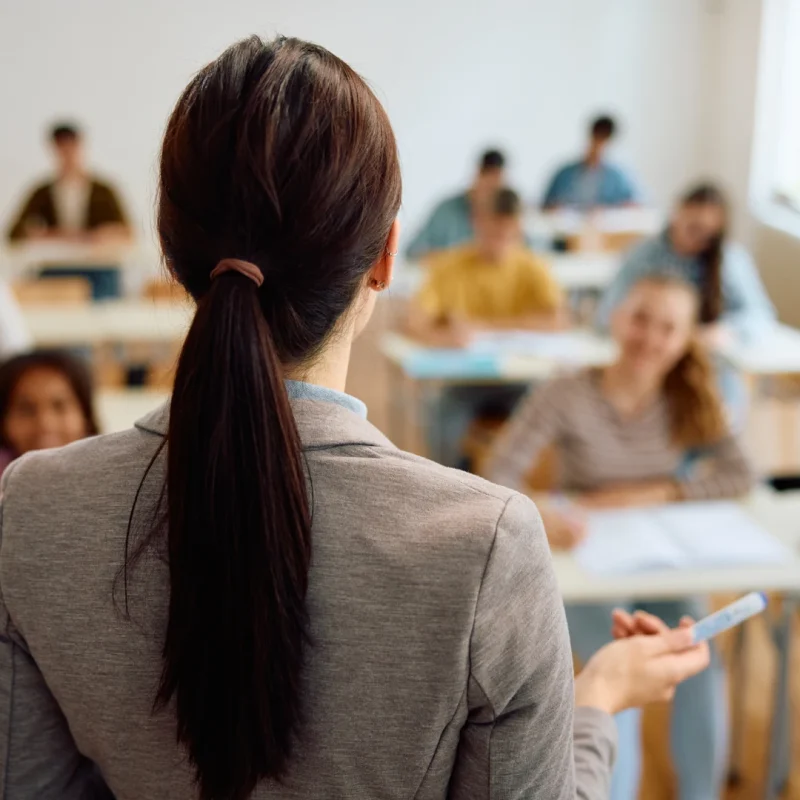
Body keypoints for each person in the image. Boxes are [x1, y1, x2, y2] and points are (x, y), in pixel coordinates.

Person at [0, 36, 710, 799]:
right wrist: (595, 703)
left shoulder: (34, 508)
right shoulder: (485, 546)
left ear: (171, 258)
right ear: (385, 258)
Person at [486, 275, 755, 800]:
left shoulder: (691, 397)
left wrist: (662, 492)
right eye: (640, 319)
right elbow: (499, 472)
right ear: (615, 317)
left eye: (668, 328)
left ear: (685, 340)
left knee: (699, 659)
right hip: (589, 559)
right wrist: (541, 512)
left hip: (660, 558)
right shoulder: (566, 391)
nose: (650, 338)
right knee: (614, 671)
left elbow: (741, 474)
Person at [408, 187, 565, 467]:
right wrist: (444, 337)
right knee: (443, 424)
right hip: (463, 382)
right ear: (478, 223)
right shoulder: (449, 266)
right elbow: (414, 322)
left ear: (518, 229)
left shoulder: (533, 267)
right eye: (493, 233)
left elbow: (558, 320)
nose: (498, 243)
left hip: (521, 380)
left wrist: (485, 326)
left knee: (546, 419)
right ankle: (451, 483)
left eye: (507, 234)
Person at [597, 183, 775, 343]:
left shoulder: (730, 260)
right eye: (693, 228)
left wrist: (726, 331)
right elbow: (607, 312)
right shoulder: (643, 255)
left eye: (708, 235)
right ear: (676, 212)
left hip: (705, 355)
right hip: (651, 349)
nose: (698, 239)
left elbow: (761, 316)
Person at [7, 123, 131, 244]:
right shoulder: (41, 193)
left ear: (80, 147)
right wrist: (43, 233)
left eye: (71, 147)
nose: (67, 154)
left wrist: (102, 235)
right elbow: (14, 233)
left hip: (96, 257)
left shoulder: (104, 191)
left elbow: (127, 232)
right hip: (54, 256)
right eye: (62, 148)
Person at [0, 350, 99, 476]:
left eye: (59, 406)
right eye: (26, 409)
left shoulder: (116, 479)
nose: (45, 424)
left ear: (85, 416)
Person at [405, 148, 506, 259]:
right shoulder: (446, 210)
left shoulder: (505, 217)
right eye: (487, 184)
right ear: (478, 175)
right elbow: (413, 252)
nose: (489, 192)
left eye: (495, 186)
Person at [542, 115, 639, 210]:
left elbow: (634, 204)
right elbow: (546, 205)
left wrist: (611, 209)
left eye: (604, 141)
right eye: (597, 139)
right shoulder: (564, 174)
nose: (599, 147)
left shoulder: (618, 177)